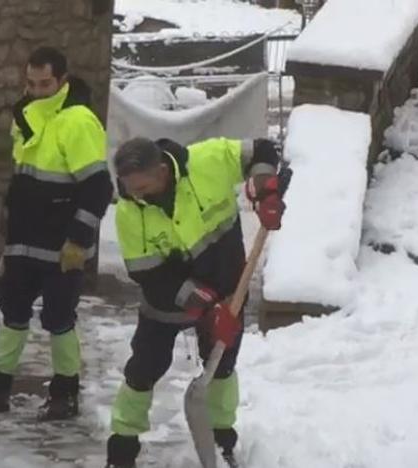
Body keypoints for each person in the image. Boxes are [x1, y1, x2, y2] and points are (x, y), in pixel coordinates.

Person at [0, 47, 114, 420]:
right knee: (13, 312)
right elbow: (26, 182)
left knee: (59, 319)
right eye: (31, 83)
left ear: (62, 80)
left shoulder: (77, 122)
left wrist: (79, 239)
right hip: (24, 241)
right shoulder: (25, 116)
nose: (38, 90)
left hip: (62, 246)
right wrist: (11, 239)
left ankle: (64, 394)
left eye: (45, 84)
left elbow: (97, 187)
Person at [104, 136, 285, 467]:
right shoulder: (130, 211)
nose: (135, 195)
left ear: (161, 169)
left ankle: (222, 439)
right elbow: (149, 276)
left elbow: (261, 149)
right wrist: (204, 306)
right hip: (168, 301)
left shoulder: (206, 161)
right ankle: (122, 445)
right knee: (144, 367)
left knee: (222, 366)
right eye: (130, 189)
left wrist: (265, 190)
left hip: (229, 287)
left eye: (142, 187)